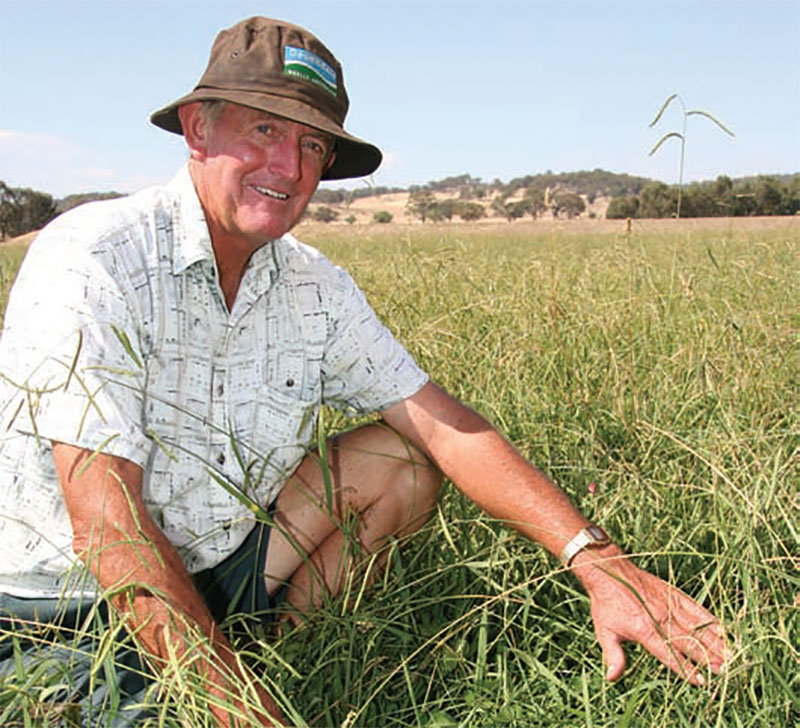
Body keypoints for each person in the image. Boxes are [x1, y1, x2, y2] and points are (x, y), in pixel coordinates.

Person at [0, 15, 727, 727]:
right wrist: (237, 712)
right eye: (264, 130)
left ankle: (274, 652)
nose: (289, 167)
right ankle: (199, 686)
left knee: (402, 463)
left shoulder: (314, 284)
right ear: (198, 127)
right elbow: (106, 523)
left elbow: (446, 428)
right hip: (66, 608)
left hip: (228, 562)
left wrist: (599, 562)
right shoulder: (94, 256)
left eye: (312, 144)